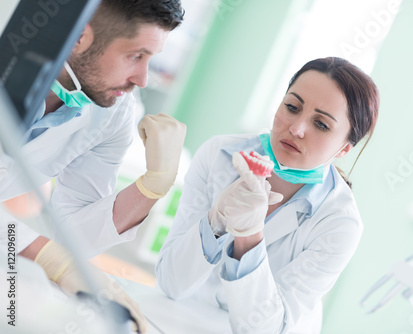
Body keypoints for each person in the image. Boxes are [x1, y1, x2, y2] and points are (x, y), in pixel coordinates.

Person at [156, 57, 379, 333]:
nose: (296, 129)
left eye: (321, 124)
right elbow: (171, 282)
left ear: (345, 148)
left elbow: (265, 329)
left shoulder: (339, 224)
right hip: (182, 320)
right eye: (292, 107)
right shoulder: (218, 156)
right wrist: (216, 221)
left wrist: (249, 236)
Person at [0, 0, 185, 332]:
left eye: (150, 60)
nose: (143, 79)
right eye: (136, 56)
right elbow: (57, 255)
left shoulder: (114, 112)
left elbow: (71, 237)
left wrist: (153, 185)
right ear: (79, 38)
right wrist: (48, 256)